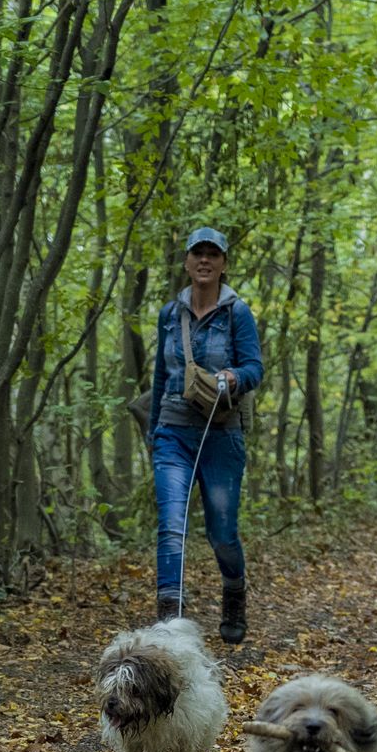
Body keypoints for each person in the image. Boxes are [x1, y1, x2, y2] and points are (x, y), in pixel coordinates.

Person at [149, 227, 263, 642]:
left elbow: (255, 368)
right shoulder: (169, 314)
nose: (204, 260)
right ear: (186, 261)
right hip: (173, 432)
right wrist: (152, 435)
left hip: (221, 435)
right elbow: (161, 376)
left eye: (213, 254)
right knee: (171, 526)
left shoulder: (237, 313)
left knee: (222, 532)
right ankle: (168, 624)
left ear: (223, 264)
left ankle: (234, 592)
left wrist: (234, 376)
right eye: (197, 253)